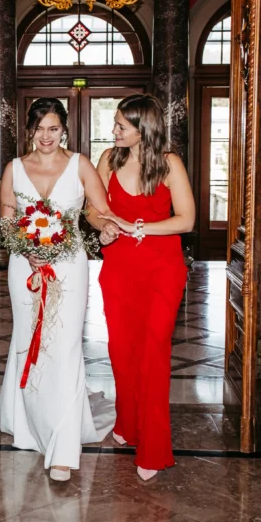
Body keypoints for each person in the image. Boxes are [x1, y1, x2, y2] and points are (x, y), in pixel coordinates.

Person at [0, 97, 116, 482]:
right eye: (40, 128)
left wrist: (104, 227)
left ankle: (62, 446)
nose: (46, 136)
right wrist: (29, 251)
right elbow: (8, 223)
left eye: (54, 129)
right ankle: (28, 421)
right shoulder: (14, 169)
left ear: (65, 130)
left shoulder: (80, 165)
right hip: (26, 267)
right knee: (29, 340)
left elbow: (95, 210)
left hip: (69, 265)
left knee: (65, 345)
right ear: (30, 130)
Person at [95, 94, 194, 482]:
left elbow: (186, 221)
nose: (114, 130)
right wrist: (103, 226)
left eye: (121, 125)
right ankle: (128, 423)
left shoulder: (169, 164)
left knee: (153, 353)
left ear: (143, 130)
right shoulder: (108, 159)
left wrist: (137, 227)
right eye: (116, 123)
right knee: (122, 351)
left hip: (161, 270)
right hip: (119, 269)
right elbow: (93, 207)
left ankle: (152, 448)